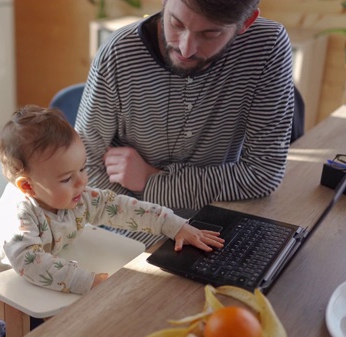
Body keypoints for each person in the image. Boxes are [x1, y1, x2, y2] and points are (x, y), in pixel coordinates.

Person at [76, 0, 295, 247]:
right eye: (175, 23)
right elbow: (85, 169)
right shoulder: (119, 53)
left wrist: (151, 181)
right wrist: (162, 237)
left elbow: (263, 173)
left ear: (246, 23)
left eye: (210, 33)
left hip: (219, 216)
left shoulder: (268, 46)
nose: (186, 48)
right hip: (135, 226)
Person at [0, 105, 223, 296]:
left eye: (83, 168)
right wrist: (87, 281)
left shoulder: (78, 196)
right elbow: (31, 264)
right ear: (28, 186)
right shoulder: (18, 217)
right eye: (67, 178)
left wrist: (173, 225)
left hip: (44, 273)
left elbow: (124, 209)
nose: (82, 182)